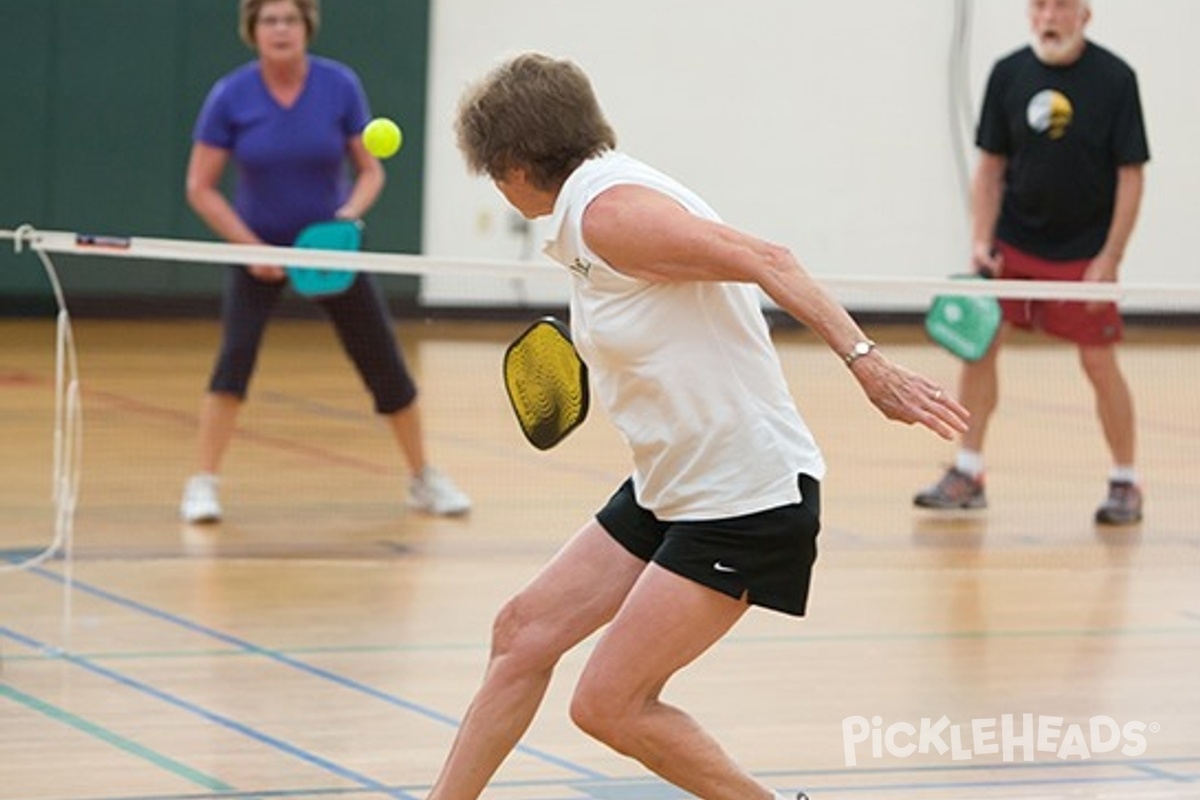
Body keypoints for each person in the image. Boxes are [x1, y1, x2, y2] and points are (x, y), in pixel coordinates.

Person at [427, 52, 969, 800]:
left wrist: (867, 361)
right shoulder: (596, 207)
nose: (493, 182)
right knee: (522, 634)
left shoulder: (609, 213)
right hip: (671, 486)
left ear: (517, 161)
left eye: (491, 168)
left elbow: (767, 258)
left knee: (608, 704)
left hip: (744, 501)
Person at [179, 0, 470, 523]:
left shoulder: (340, 86)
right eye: (269, 20)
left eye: (290, 19)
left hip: (330, 250)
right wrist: (251, 248)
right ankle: (203, 483)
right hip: (257, 249)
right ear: (253, 30)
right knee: (233, 361)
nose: (281, 29)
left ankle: (423, 477)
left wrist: (344, 221)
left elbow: (370, 172)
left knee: (383, 362)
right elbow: (200, 188)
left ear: (307, 27)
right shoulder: (230, 95)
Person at [914, 0, 1149, 525]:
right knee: (980, 349)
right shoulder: (1008, 73)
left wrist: (1110, 256)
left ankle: (1126, 481)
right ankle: (968, 471)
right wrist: (980, 238)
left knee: (1098, 362)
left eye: (1061, 6)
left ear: (1084, 14)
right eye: (1039, 6)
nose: (1049, 16)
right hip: (1013, 244)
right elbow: (991, 165)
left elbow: (1131, 174)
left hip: (1085, 253)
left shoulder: (1116, 79)